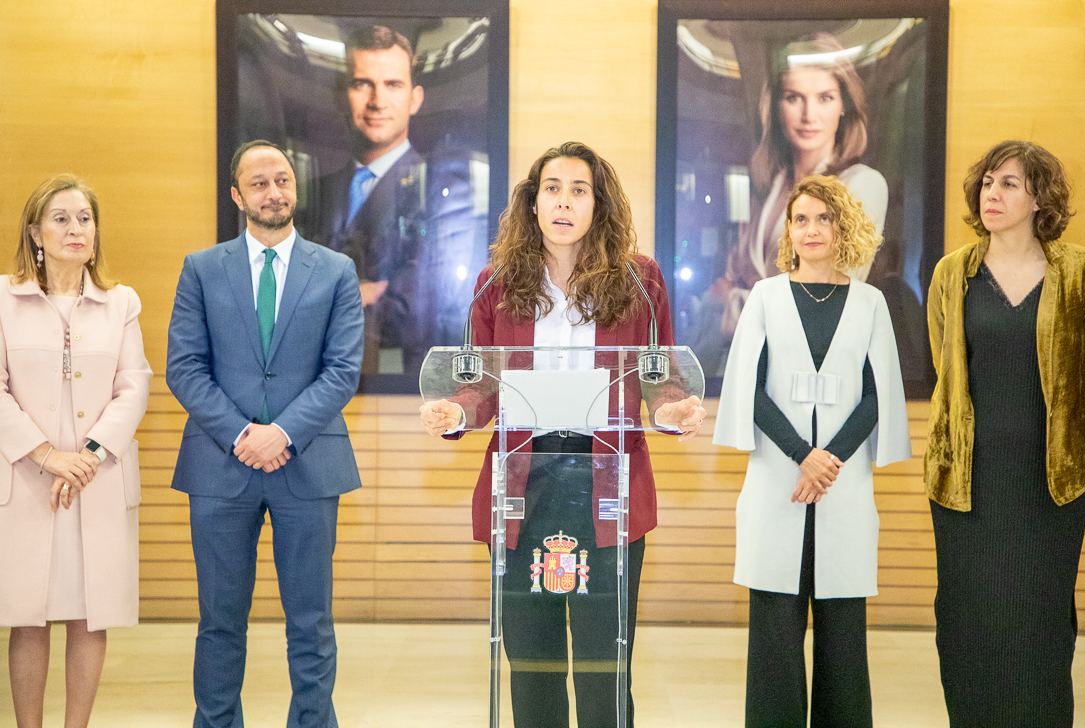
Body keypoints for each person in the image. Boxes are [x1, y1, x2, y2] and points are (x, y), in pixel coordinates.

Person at [419, 141, 705, 727]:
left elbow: (660, 375)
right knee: (532, 659)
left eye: (580, 189)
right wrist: (456, 411)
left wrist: (673, 407)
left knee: (606, 663)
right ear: (532, 202)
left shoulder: (638, 277)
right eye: (552, 188)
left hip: (609, 487)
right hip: (526, 484)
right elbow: (481, 383)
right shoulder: (495, 281)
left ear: (599, 204)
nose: (564, 202)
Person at [166, 140, 364, 728]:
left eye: (282, 180)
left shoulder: (336, 270)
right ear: (237, 195)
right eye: (259, 183)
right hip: (219, 468)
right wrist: (241, 434)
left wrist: (281, 433)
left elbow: (343, 369)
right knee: (220, 619)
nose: (274, 192)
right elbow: (184, 366)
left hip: (307, 464)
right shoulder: (202, 268)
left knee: (312, 621)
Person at [713, 175, 910, 727]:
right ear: (788, 231)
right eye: (801, 219)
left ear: (843, 225)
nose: (812, 228)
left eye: (824, 217)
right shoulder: (766, 297)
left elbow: (879, 395)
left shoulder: (870, 303)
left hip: (842, 489)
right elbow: (746, 390)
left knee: (843, 644)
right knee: (774, 643)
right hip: (778, 482)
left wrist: (829, 461)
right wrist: (804, 454)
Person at [925, 140, 1085, 726]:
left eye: (1009, 184)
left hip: (1052, 483)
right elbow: (947, 368)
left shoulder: (1079, 271)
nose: (991, 194)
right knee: (967, 624)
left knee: (1041, 625)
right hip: (966, 480)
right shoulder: (953, 273)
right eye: (987, 183)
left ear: (1039, 197)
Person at [0, 175, 151, 728]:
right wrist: (47, 455)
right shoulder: (2, 298)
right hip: (28, 479)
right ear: (36, 233)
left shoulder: (121, 302)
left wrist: (86, 455)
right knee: (28, 616)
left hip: (96, 476)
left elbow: (134, 384)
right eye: (61, 218)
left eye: (84, 218)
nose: (75, 228)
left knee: (91, 615)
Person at [716, 33, 889, 343]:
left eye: (825, 97)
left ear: (843, 106)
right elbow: (726, 280)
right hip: (746, 360)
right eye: (794, 97)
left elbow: (828, 297)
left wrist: (733, 302)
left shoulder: (863, 184)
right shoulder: (768, 188)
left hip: (814, 359)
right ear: (776, 106)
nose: (809, 115)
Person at [298, 25, 429, 375]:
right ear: (344, 95)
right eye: (362, 84)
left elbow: (412, 308)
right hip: (307, 372)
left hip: (390, 371)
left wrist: (319, 298)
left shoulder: (437, 189)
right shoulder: (315, 190)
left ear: (415, 98)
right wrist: (364, 292)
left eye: (393, 84)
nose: (377, 101)